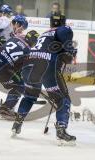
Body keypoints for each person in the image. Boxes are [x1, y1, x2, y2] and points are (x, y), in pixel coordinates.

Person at [11, 12, 77, 145]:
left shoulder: (44, 34)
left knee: (29, 96)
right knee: (63, 99)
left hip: (29, 65)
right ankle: (61, 131)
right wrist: (72, 51)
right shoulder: (64, 30)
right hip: (46, 67)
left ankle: (17, 123)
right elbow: (68, 58)